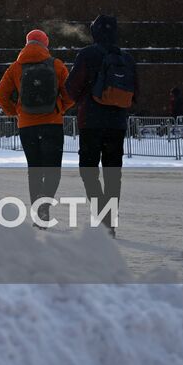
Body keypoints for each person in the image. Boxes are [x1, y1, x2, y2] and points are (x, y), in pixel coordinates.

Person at [65, 15, 137, 237]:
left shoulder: (87, 55)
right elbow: (135, 94)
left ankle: (103, 216)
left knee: (88, 171)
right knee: (113, 174)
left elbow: (71, 88)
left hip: (91, 122)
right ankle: (110, 221)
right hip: (117, 124)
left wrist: (83, 99)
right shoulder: (126, 58)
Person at [0, 29, 72, 227]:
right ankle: (45, 203)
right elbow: (71, 94)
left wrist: (16, 112)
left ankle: (39, 216)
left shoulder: (15, 67)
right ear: (46, 45)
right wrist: (59, 108)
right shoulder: (56, 65)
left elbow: (0, 95)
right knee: (53, 170)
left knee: (35, 169)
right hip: (52, 124)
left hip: (27, 126)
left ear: (27, 43)